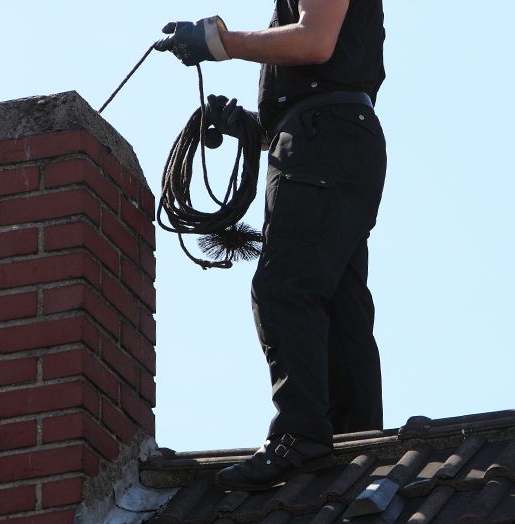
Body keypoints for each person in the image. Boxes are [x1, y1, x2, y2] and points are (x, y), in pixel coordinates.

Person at [155, 0, 387, 490]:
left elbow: (314, 40)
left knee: (284, 287)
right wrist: (252, 127)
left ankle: (301, 436)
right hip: (335, 134)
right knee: (339, 302)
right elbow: (326, 67)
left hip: (323, 138)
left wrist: (220, 42)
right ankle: (358, 446)